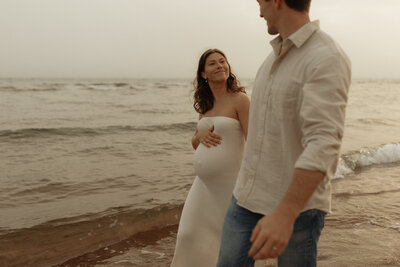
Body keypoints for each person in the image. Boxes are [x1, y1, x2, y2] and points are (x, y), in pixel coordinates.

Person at [217, 0, 351, 266]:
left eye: (259, 2)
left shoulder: (326, 57)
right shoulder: (272, 58)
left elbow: (324, 142)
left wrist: (286, 212)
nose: (259, 12)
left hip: (298, 209)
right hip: (245, 197)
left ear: (276, 1)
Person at [170, 49, 250, 267]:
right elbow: (196, 143)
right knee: (188, 235)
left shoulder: (240, 100)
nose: (219, 66)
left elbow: (253, 141)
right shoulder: (205, 106)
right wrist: (198, 135)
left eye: (222, 62)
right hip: (204, 185)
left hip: (230, 184)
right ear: (204, 74)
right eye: (213, 63)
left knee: (225, 239)